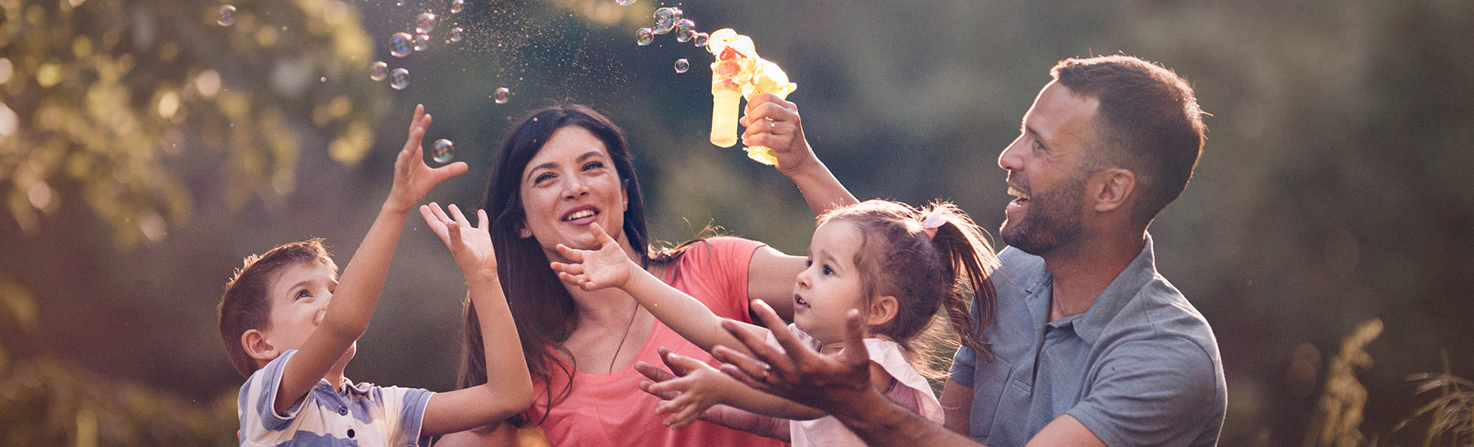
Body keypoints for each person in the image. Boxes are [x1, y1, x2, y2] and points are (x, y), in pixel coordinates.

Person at [709, 55, 1227, 447]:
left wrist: (858, 404)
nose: (1008, 156)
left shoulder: (1168, 360)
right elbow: (889, 273)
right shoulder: (1013, 277)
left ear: (1110, 191)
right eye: (1021, 135)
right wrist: (802, 164)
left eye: (1039, 145)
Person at [435, 99, 860, 446]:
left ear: (623, 193)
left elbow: (869, 280)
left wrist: (804, 166)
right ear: (521, 223)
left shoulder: (716, 265)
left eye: (592, 167)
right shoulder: (528, 368)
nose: (575, 187)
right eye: (546, 177)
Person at [550, 199, 999, 446]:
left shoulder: (877, 362)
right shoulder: (811, 343)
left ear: (878, 311)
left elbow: (811, 403)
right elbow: (712, 328)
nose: (802, 276)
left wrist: (724, 388)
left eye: (827, 270)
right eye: (810, 260)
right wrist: (632, 277)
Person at [217, 105, 533, 446]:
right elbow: (345, 323)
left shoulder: (380, 405)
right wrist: (396, 207)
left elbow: (509, 395)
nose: (332, 300)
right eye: (304, 294)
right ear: (261, 344)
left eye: (335, 290)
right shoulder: (264, 397)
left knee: (488, 437)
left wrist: (483, 276)